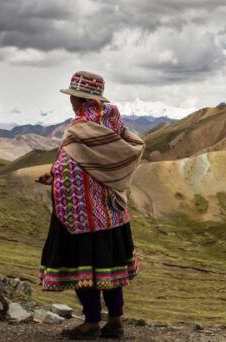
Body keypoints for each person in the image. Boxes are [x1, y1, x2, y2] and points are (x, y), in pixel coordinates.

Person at [36, 71, 145, 340]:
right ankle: (116, 321)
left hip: (80, 217)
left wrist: (55, 178)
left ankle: (92, 323)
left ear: (76, 98)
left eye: (72, 97)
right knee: (110, 269)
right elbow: (100, 167)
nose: (71, 102)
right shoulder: (113, 126)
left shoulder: (80, 129)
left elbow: (73, 170)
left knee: (83, 268)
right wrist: (57, 175)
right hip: (112, 213)